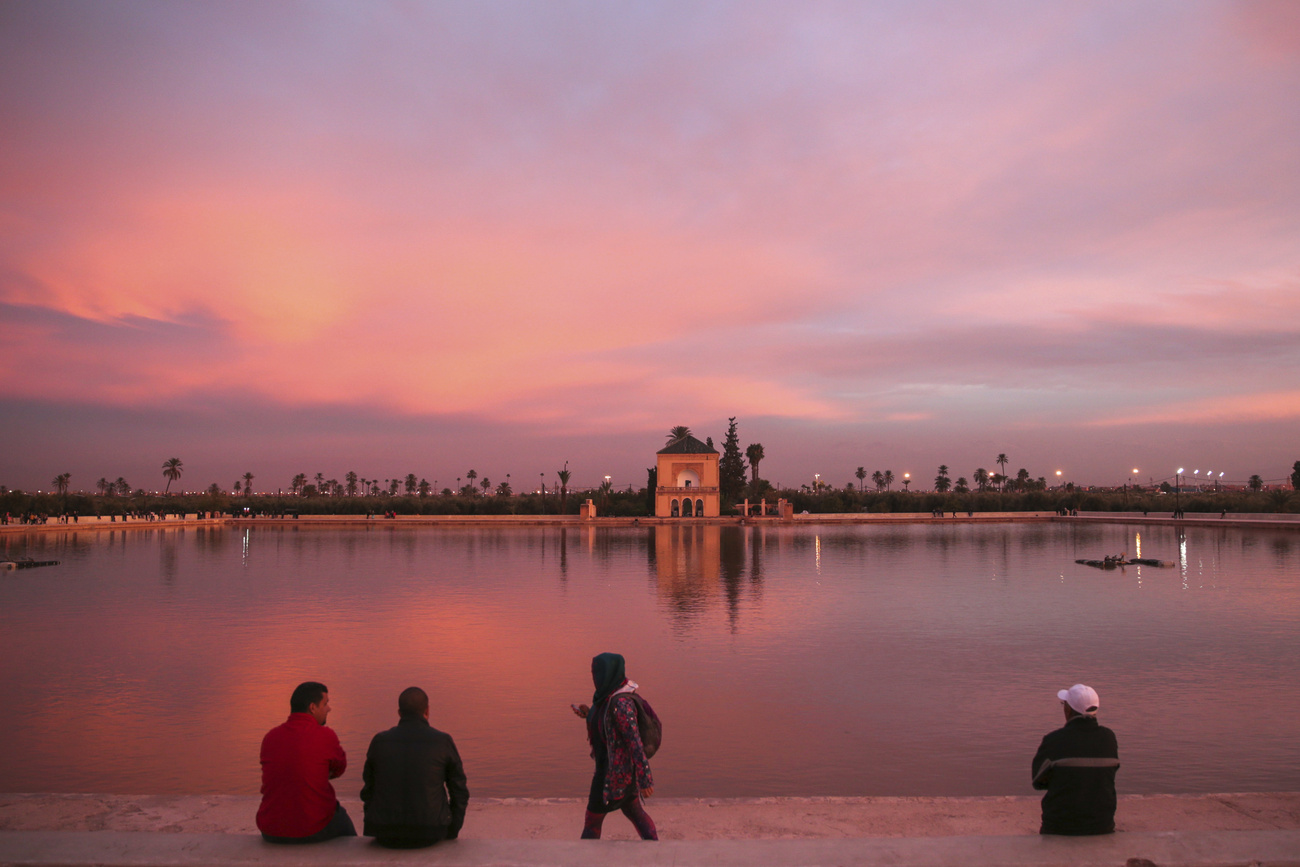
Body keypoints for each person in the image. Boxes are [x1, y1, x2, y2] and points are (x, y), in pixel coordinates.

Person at [360, 686, 469, 848]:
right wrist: (452, 830)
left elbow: (368, 788)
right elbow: (459, 790)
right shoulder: (442, 741)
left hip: (384, 833)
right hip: (430, 832)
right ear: (427, 710)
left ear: (399, 713)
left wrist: (374, 821)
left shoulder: (380, 741)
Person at [571, 652, 658, 840]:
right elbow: (608, 726)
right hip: (623, 775)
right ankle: (654, 847)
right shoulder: (607, 695)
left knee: (592, 821)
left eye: (598, 673)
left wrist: (645, 779)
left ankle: (584, 856)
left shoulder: (621, 704)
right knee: (635, 812)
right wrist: (589, 715)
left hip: (611, 777)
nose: (595, 677)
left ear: (608, 673)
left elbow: (634, 742)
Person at [257, 681, 356, 843]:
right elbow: (339, 769)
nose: (329, 708)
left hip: (270, 829)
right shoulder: (325, 735)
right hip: (311, 828)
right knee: (343, 821)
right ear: (312, 707)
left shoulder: (270, 737)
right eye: (325, 704)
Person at [1031, 683, 1120, 836]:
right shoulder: (1109, 738)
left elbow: (1037, 782)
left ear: (1068, 709)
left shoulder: (1054, 740)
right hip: (1102, 825)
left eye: (1064, 704)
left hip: (1059, 827)